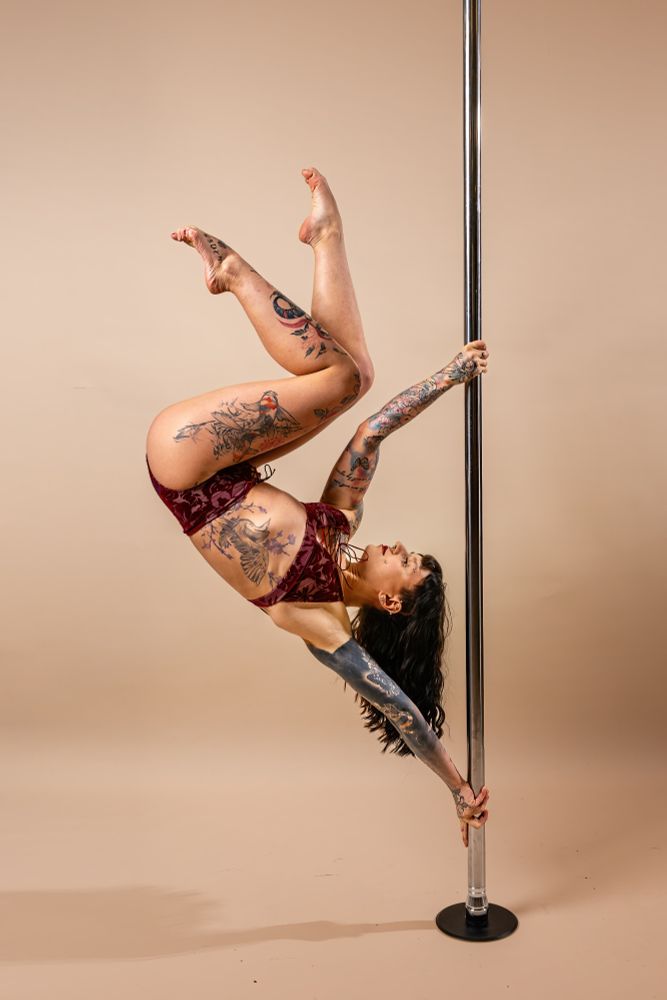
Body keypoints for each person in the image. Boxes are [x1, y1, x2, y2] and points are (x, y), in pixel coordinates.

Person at [145, 167, 491, 847]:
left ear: (390, 604)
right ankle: (324, 239)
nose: (396, 547)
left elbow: (400, 710)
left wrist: (456, 789)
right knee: (355, 377)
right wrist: (448, 376)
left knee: (334, 379)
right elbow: (373, 431)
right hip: (221, 459)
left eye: (407, 564)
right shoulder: (339, 524)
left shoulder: (318, 619)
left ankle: (235, 273)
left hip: (184, 464)